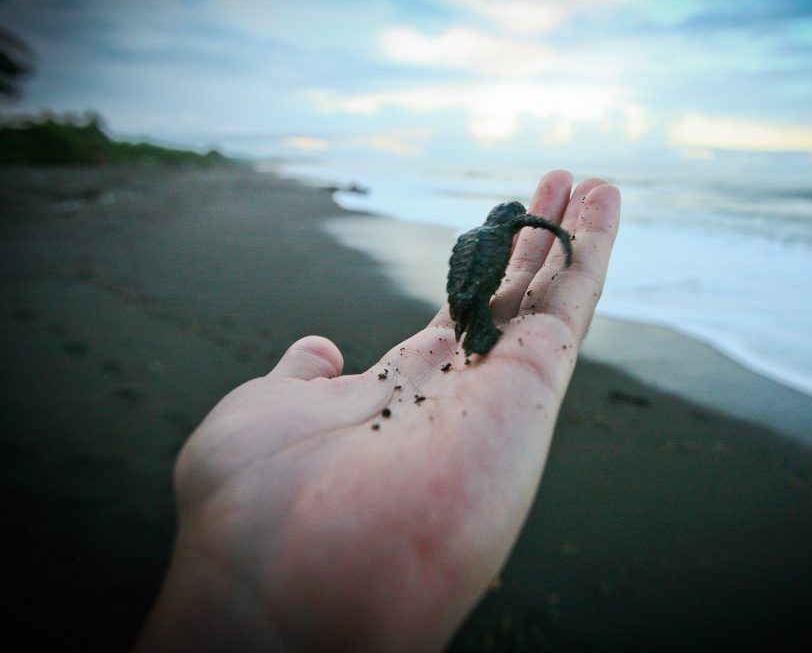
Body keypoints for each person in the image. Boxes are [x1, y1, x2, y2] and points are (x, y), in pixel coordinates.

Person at [136, 171, 621, 652]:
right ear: (515, 224)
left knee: (476, 318)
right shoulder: (507, 233)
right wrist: (565, 246)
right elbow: (550, 234)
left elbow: (467, 267)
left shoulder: (473, 235)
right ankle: (482, 329)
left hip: (463, 298)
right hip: (478, 294)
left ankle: (476, 326)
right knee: (487, 325)